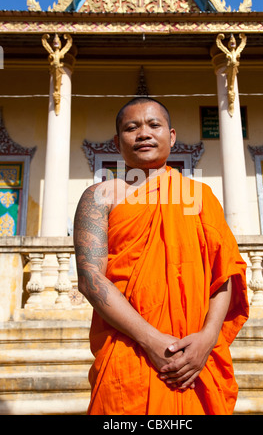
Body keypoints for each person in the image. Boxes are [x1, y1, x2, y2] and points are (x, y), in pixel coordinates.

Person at [73, 97, 249, 415]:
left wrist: (207, 339)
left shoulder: (197, 196)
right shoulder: (101, 196)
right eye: (132, 127)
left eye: (154, 125)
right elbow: (90, 278)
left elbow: (224, 275)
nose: (144, 133)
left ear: (171, 136)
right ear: (117, 141)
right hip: (129, 348)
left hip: (195, 357)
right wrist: (153, 341)